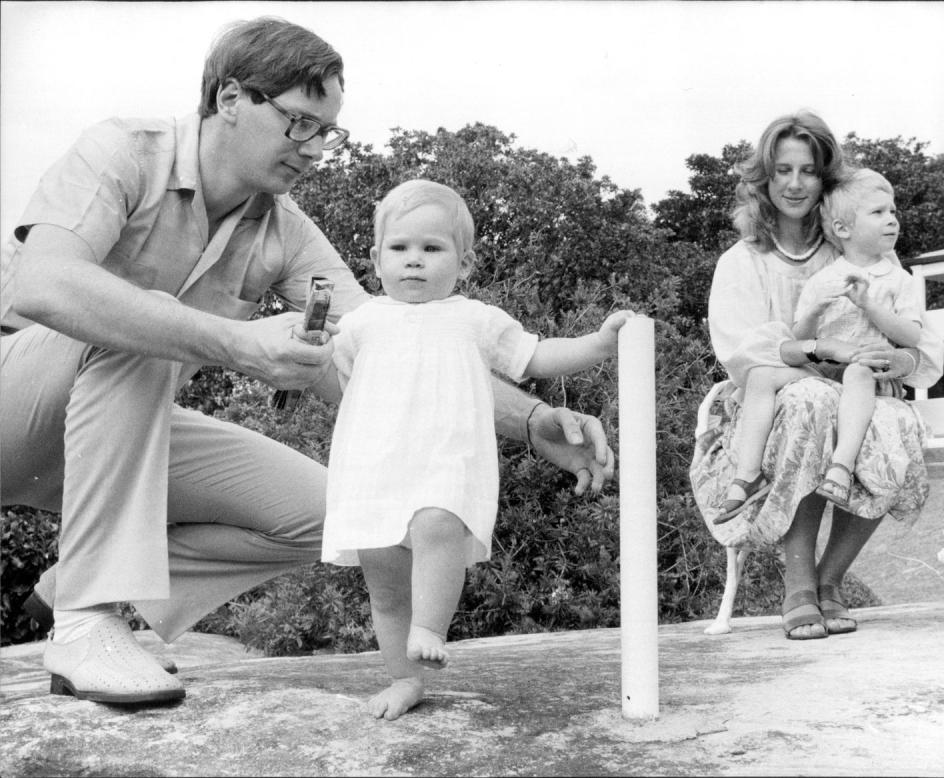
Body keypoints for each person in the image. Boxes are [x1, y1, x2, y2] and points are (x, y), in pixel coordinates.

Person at [0, 17, 615, 706]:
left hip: (116, 435)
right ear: (230, 99)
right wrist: (237, 344)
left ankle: (71, 591)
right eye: (300, 123)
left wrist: (534, 423)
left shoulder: (284, 229)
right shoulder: (122, 150)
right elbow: (41, 283)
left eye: (328, 131)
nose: (316, 148)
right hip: (13, 405)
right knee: (140, 326)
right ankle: (89, 616)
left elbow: (396, 347)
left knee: (333, 513)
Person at [320, 180, 633, 720]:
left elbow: (535, 355)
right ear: (375, 260)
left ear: (463, 264)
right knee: (384, 578)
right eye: (399, 249)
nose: (413, 261)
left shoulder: (473, 318)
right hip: (374, 465)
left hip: (443, 458)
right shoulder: (360, 322)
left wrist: (599, 345)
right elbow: (340, 373)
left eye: (432, 249)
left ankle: (430, 627)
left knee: (439, 521)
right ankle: (404, 677)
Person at [690, 110, 943, 640]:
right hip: (767, 397)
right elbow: (742, 353)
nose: (795, 183)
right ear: (765, 176)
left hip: (857, 387)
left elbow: (915, 335)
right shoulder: (744, 259)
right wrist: (819, 347)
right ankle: (799, 581)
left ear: (825, 178)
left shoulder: (854, 245)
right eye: (783, 170)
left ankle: (831, 578)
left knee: (897, 419)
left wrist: (898, 363)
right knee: (811, 399)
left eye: (808, 171)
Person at [714, 167, 923, 524]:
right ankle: (748, 474)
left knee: (857, 371)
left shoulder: (898, 279)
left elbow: (912, 336)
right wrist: (813, 311)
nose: (892, 221)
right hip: (824, 372)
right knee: (763, 376)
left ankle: (841, 465)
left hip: (867, 373)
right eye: (879, 213)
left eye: (893, 212)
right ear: (842, 229)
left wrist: (869, 305)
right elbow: (797, 337)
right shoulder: (823, 277)